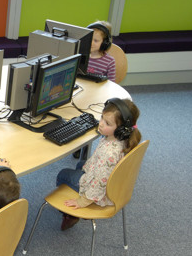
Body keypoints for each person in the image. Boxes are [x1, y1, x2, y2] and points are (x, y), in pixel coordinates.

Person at [56, 98, 141, 230]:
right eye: (101, 118)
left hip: (100, 192)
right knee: (80, 165)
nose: (100, 124)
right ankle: (77, 195)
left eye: (107, 123)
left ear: (121, 130)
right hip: (108, 180)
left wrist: (82, 201)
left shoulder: (109, 154)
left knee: (63, 174)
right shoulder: (122, 139)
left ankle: (70, 215)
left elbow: (99, 183)